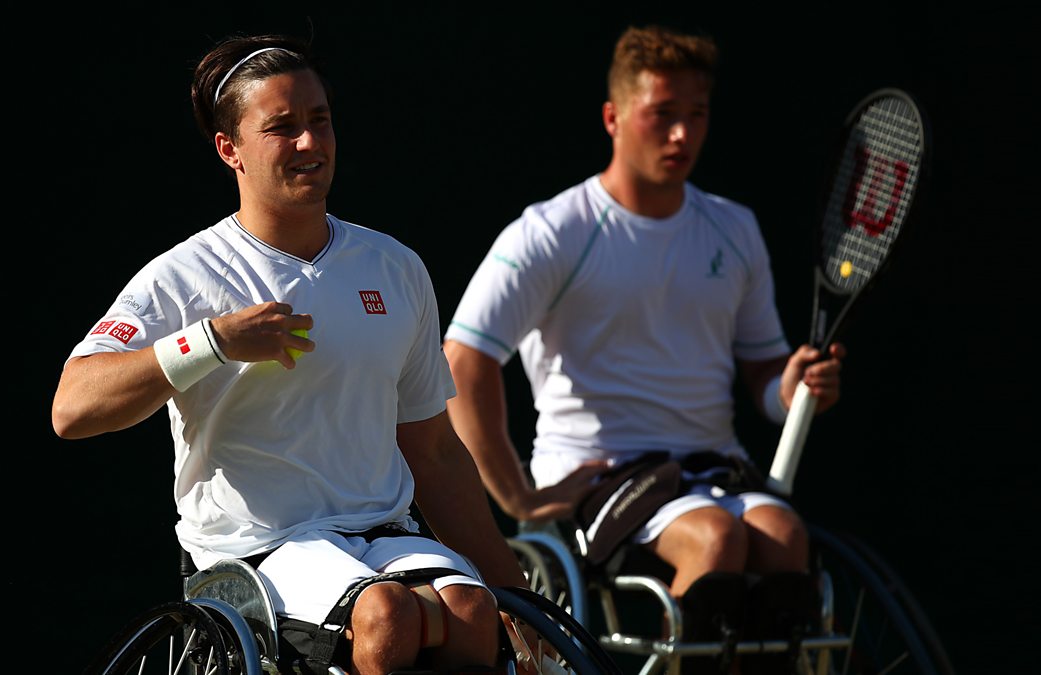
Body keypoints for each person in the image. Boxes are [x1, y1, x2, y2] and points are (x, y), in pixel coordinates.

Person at [51, 32, 531, 675]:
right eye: (282, 128)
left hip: (384, 538)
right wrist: (213, 342)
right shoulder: (184, 277)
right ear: (231, 150)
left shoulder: (395, 267)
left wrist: (520, 598)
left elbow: (436, 450)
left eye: (320, 121)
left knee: (471, 611)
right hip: (254, 552)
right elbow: (73, 407)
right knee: (386, 616)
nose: (310, 143)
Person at [443, 24, 846, 674]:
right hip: (598, 475)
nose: (683, 134)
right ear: (614, 117)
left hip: (713, 469)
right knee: (716, 540)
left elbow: (765, 375)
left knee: (784, 537)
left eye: (697, 115)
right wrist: (516, 496)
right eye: (663, 115)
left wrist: (793, 390)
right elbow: (463, 359)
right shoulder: (552, 232)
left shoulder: (733, 228)